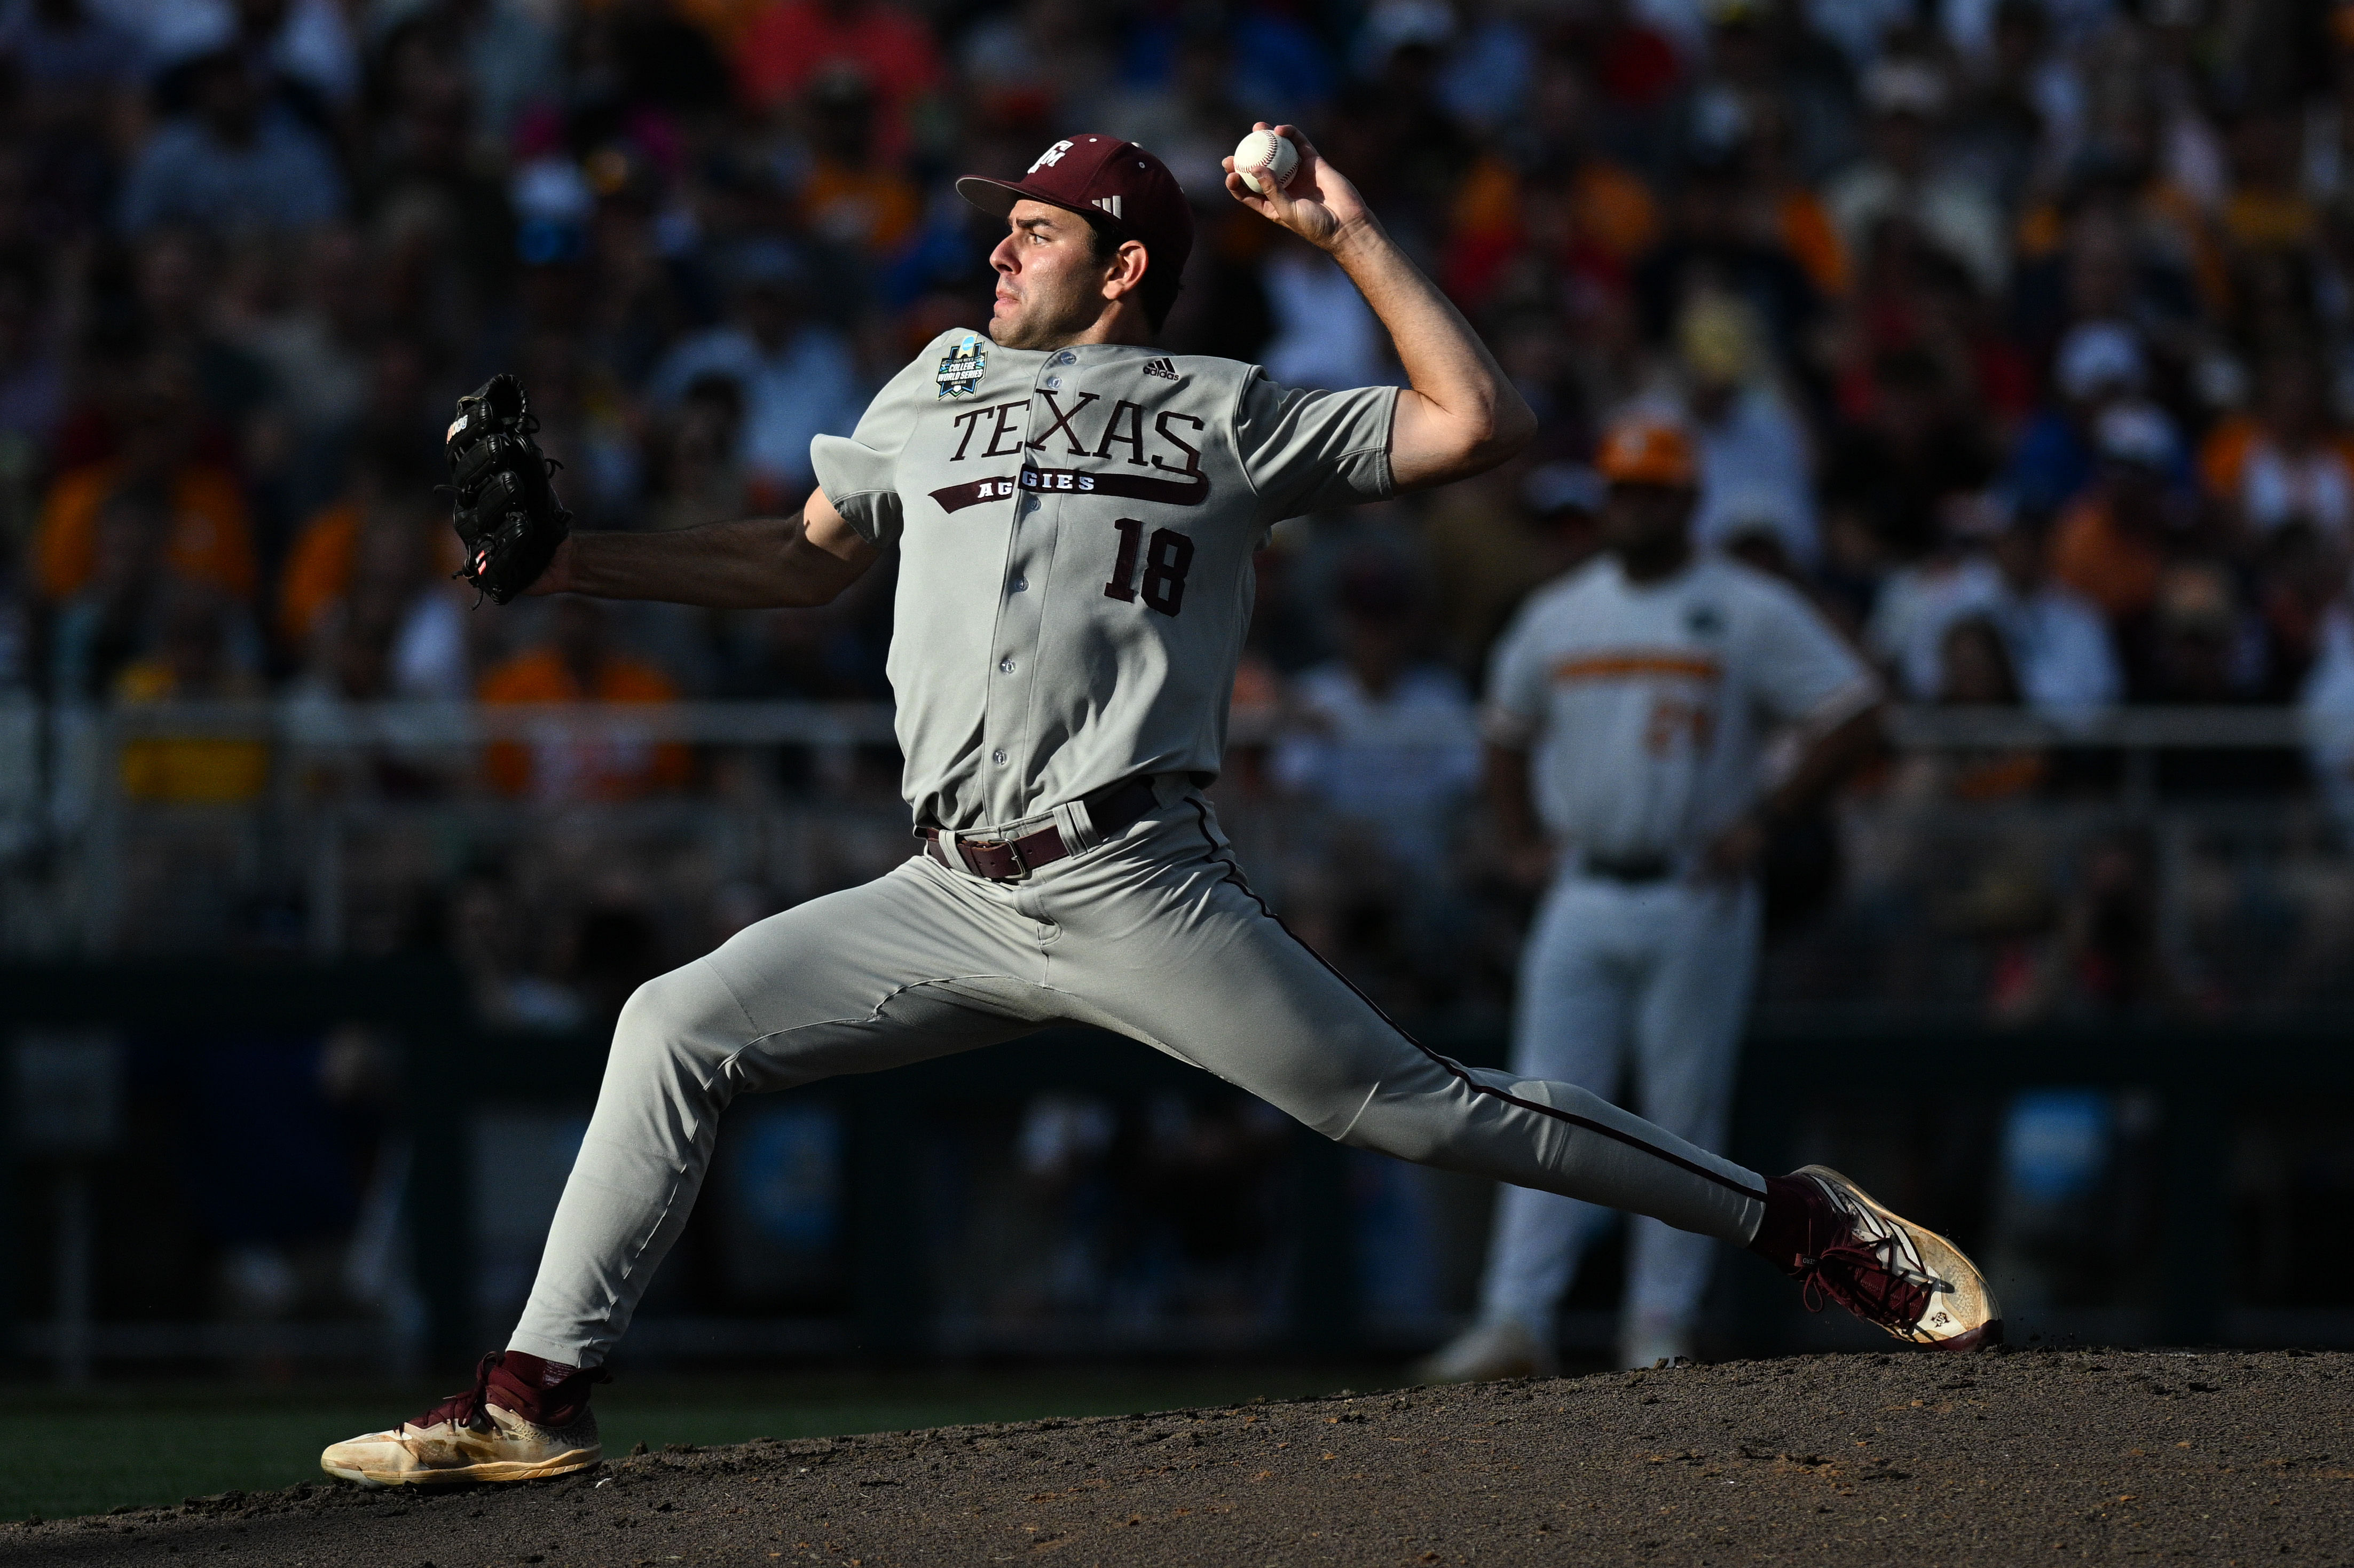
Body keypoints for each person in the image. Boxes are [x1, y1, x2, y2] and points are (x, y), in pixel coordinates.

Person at [321, 125, 1999, 1490]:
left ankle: (1792, 1217)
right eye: (1004, 224)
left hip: (1136, 876)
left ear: (1123, 268)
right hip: (944, 889)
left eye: (1034, 229)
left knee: (1418, 1108)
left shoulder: (1227, 411)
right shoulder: (935, 381)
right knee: (675, 1021)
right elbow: (794, 562)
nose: (997, 246)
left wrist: (1345, 231)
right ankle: (534, 1393)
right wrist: (569, 566)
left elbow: (1481, 423)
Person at [1414, 412, 1887, 1382]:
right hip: (1583, 883)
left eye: (1652, 491)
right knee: (1540, 1104)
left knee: (1681, 1115)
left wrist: (1768, 816)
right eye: (1622, 490)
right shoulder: (1561, 610)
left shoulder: (1744, 605)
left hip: (1694, 885)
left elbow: (1853, 710)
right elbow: (1503, 730)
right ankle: (1516, 1318)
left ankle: (1659, 1323)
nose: (1633, 507)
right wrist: (1516, 842)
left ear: (1687, 500)